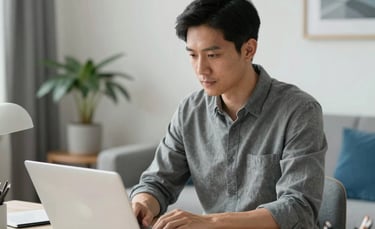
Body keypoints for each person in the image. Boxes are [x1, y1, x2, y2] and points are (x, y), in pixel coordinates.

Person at [130, 0, 327, 228]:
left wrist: (210, 221)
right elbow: (158, 182)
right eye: (193, 55)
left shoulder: (299, 111)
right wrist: (143, 202)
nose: (201, 69)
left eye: (212, 55)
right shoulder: (190, 111)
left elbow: (298, 208)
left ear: (248, 50)